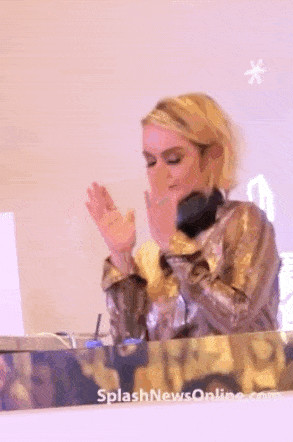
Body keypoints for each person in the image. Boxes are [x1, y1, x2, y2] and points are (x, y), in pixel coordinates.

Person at [86, 93, 281, 343]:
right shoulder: (150, 253)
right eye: (151, 162)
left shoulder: (244, 221)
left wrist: (176, 251)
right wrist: (121, 256)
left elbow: (237, 318)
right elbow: (129, 348)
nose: (159, 174)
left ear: (212, 158)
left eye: (173, 160)